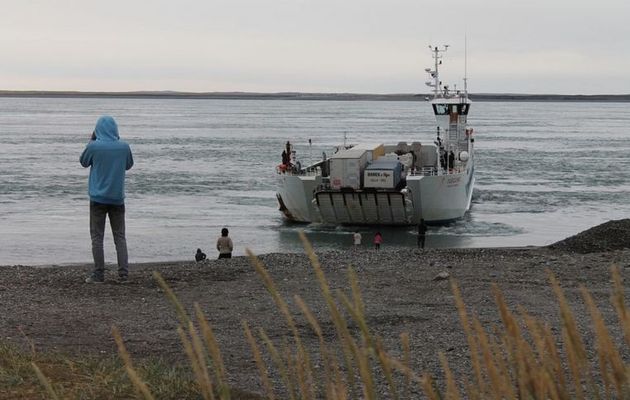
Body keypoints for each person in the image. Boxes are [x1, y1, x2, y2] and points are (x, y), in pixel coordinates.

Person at [80, 116, 134, 283]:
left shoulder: (94, 146)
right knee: (120, 236)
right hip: (117, 198)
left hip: (97, 198)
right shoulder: (124, 147)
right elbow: (129, 165)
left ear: (97, 130)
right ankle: (123, 275)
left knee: (97, 237)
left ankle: (99, 274)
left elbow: (83, 162)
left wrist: (92, 140)